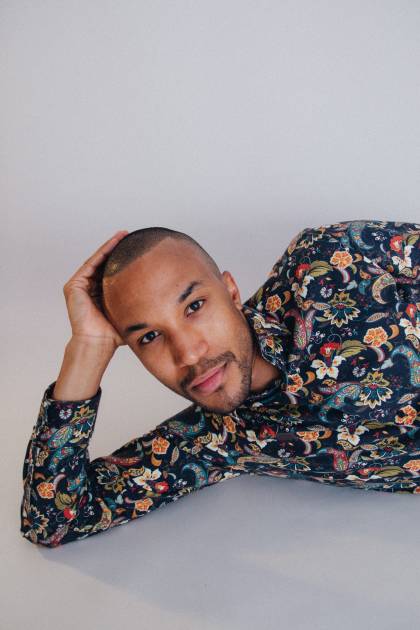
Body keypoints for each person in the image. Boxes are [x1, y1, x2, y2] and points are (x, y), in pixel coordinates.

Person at [20, 220, 420, 548]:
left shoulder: (328, 260)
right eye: (149, 337)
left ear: (230, 290)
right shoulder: (217, 439)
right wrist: (86, 349)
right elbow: (54, 521)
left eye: (194, 306)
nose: (188, 354)